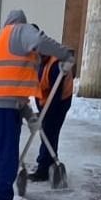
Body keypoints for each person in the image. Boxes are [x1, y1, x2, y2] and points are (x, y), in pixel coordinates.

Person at [0, 10, 73, 200]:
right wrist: (66, 54)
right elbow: (39, 40)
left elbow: (9, 86)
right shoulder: (19, 31)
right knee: (7, 157)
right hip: (4, 111)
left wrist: (28, 115)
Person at [30, 53, 74, 181]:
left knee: (50, 131)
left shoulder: (56, 66)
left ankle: (43, 169)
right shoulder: (37, 62)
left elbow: (55, 97)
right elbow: (38, 90)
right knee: (47, 130)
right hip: (46, 98)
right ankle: (49, 162)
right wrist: (40, 111)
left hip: (61, 100)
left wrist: (46, 115)